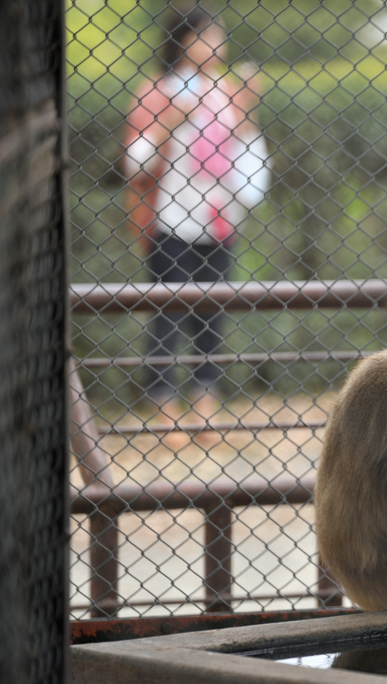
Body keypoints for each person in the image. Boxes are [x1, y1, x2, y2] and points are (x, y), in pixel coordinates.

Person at [121, 5, 270, 442]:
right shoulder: (156, 91)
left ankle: (204, 409)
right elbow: (136, 163)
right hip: (169, 218)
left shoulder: (226, 91)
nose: (216, 44)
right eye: (206, 36)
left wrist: (248, 107)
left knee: (212, 314)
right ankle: (165, 412)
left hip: (218, 219)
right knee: (168, 314)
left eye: (218, 36)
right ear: (182, 40)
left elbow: (248, 151)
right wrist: (170, 125)